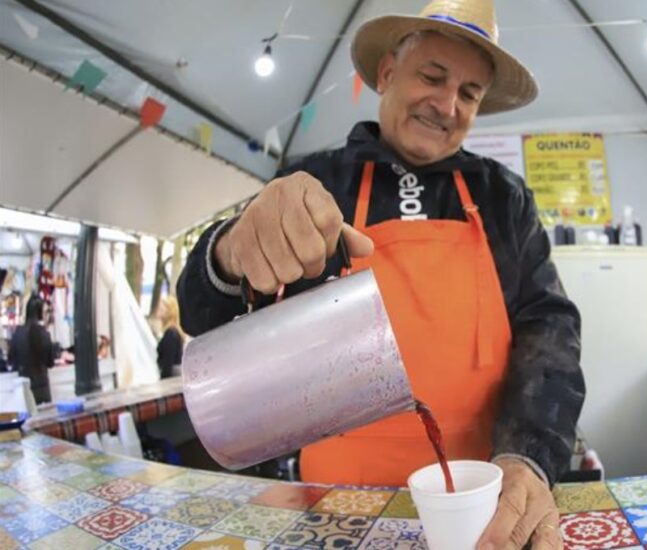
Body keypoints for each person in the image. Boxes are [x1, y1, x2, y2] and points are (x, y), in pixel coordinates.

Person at [177, 0, 584, 546]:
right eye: (432, 77)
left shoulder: (502, 197)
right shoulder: (315, 181)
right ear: (388, 73)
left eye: (468, 93)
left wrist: (529, 457)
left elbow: (550, 328)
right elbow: (204, 313)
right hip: (338, 498)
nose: (446, 104)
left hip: (477, 502)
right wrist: (229, 251)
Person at [9, 295, 56, 404]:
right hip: (42, 387)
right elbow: (50, 363)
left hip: (24, 389)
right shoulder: (45, 334)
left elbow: (12, 360)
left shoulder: (18, 333)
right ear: (40, 313)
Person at [154, 296, 184, 379]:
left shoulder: (171, 333)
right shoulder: (171, 332)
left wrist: (163, 381)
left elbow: (168, 362)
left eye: (162, 307)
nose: (159, 309)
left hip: (171, 379)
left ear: (169, 311)